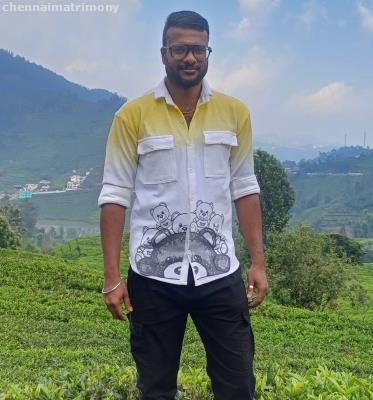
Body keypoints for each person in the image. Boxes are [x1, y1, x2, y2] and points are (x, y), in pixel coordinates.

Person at [98, 10, 268, 400]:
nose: (190, 58)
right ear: (164, 53)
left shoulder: (235, 113)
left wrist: (258, 262)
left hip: (219, 272)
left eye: (198, 49)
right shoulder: (132, 116)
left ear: (208, 53)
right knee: (156, 388)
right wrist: (111, 277)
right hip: (152, 277)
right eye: (180, 49)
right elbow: (115, 194)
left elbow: (245, 188)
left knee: (238, 385)